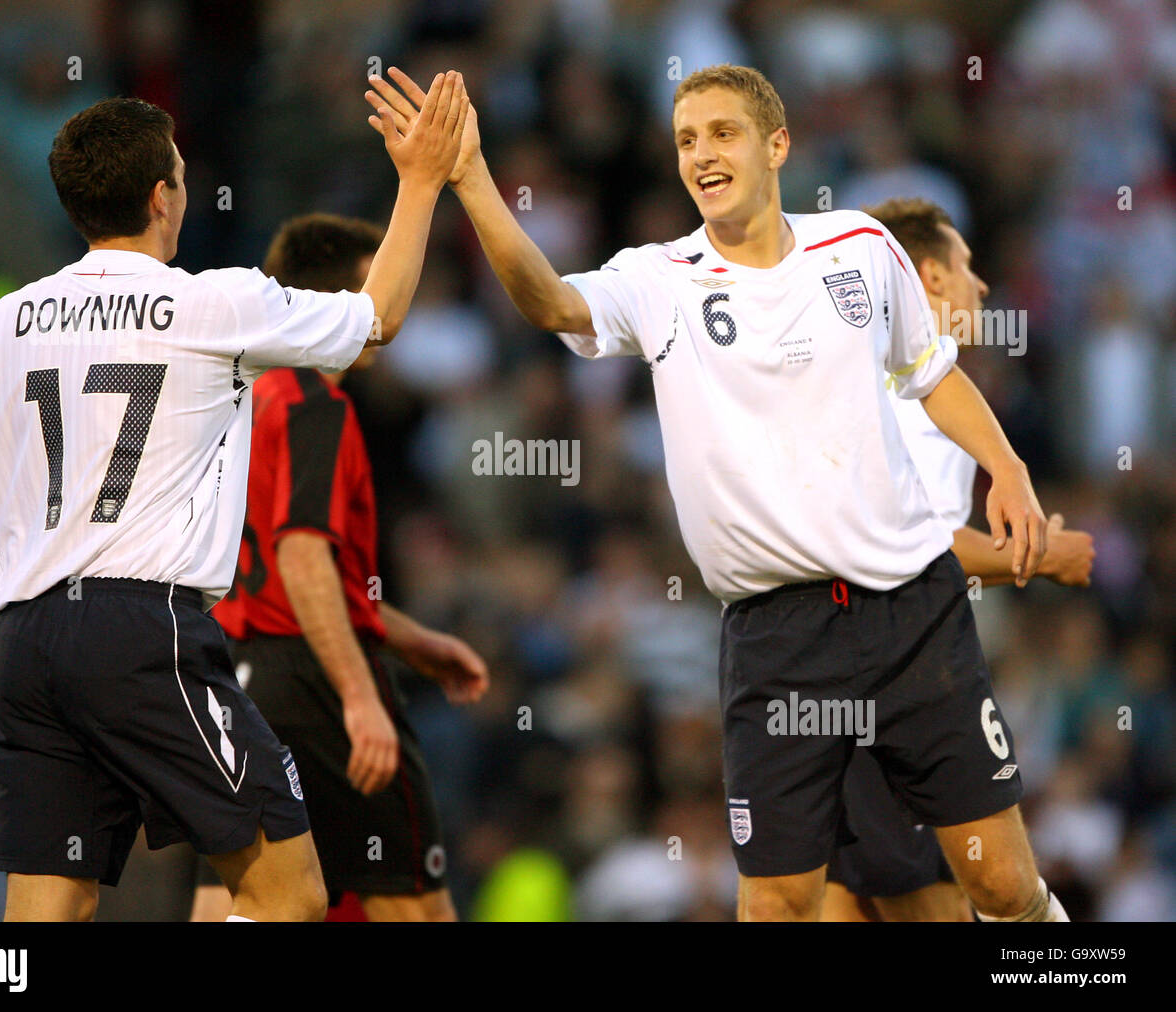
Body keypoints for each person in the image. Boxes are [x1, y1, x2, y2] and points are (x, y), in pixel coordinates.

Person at [364, 64, 1068, 922]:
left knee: (997, 883)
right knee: (776, 902)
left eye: (723, 133)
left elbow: (934, 372)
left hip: (912, 614)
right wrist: (471, 177)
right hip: (776, 638)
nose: (701, 154)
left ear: (777, 145)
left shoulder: (860, 248)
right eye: (686, 140)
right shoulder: (659, 278)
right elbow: (548, 302)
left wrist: (1012, 471)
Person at [0, 76, 468, 922]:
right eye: (180, 172)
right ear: (161, 196)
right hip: (147, 631)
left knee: (44, 910)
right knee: (287, 892)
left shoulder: (5, 321)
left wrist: (16, 636)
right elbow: (381, 317)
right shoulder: (213, 301)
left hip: (31, 640)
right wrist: (421, 180)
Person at [189, 213, 488, 923]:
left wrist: (413, 641)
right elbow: (301, 558)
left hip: (240, 677)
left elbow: (289, 571)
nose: (392, 310)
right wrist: (358, 693)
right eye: (374, 289)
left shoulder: (235, 403)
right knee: (414, 908)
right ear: (334, 303)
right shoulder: (312, 402)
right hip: (317, 686)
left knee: (236, 899)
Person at [821, 197, 1096, 922]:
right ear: (932, 279)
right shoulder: (915, 395)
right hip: (893, 676)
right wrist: (1040, 556)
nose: (981, 288)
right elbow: (922, 543)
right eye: (968, 269)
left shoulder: (870, 377)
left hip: (826, 671)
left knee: (846, 899)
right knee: (972, 895)